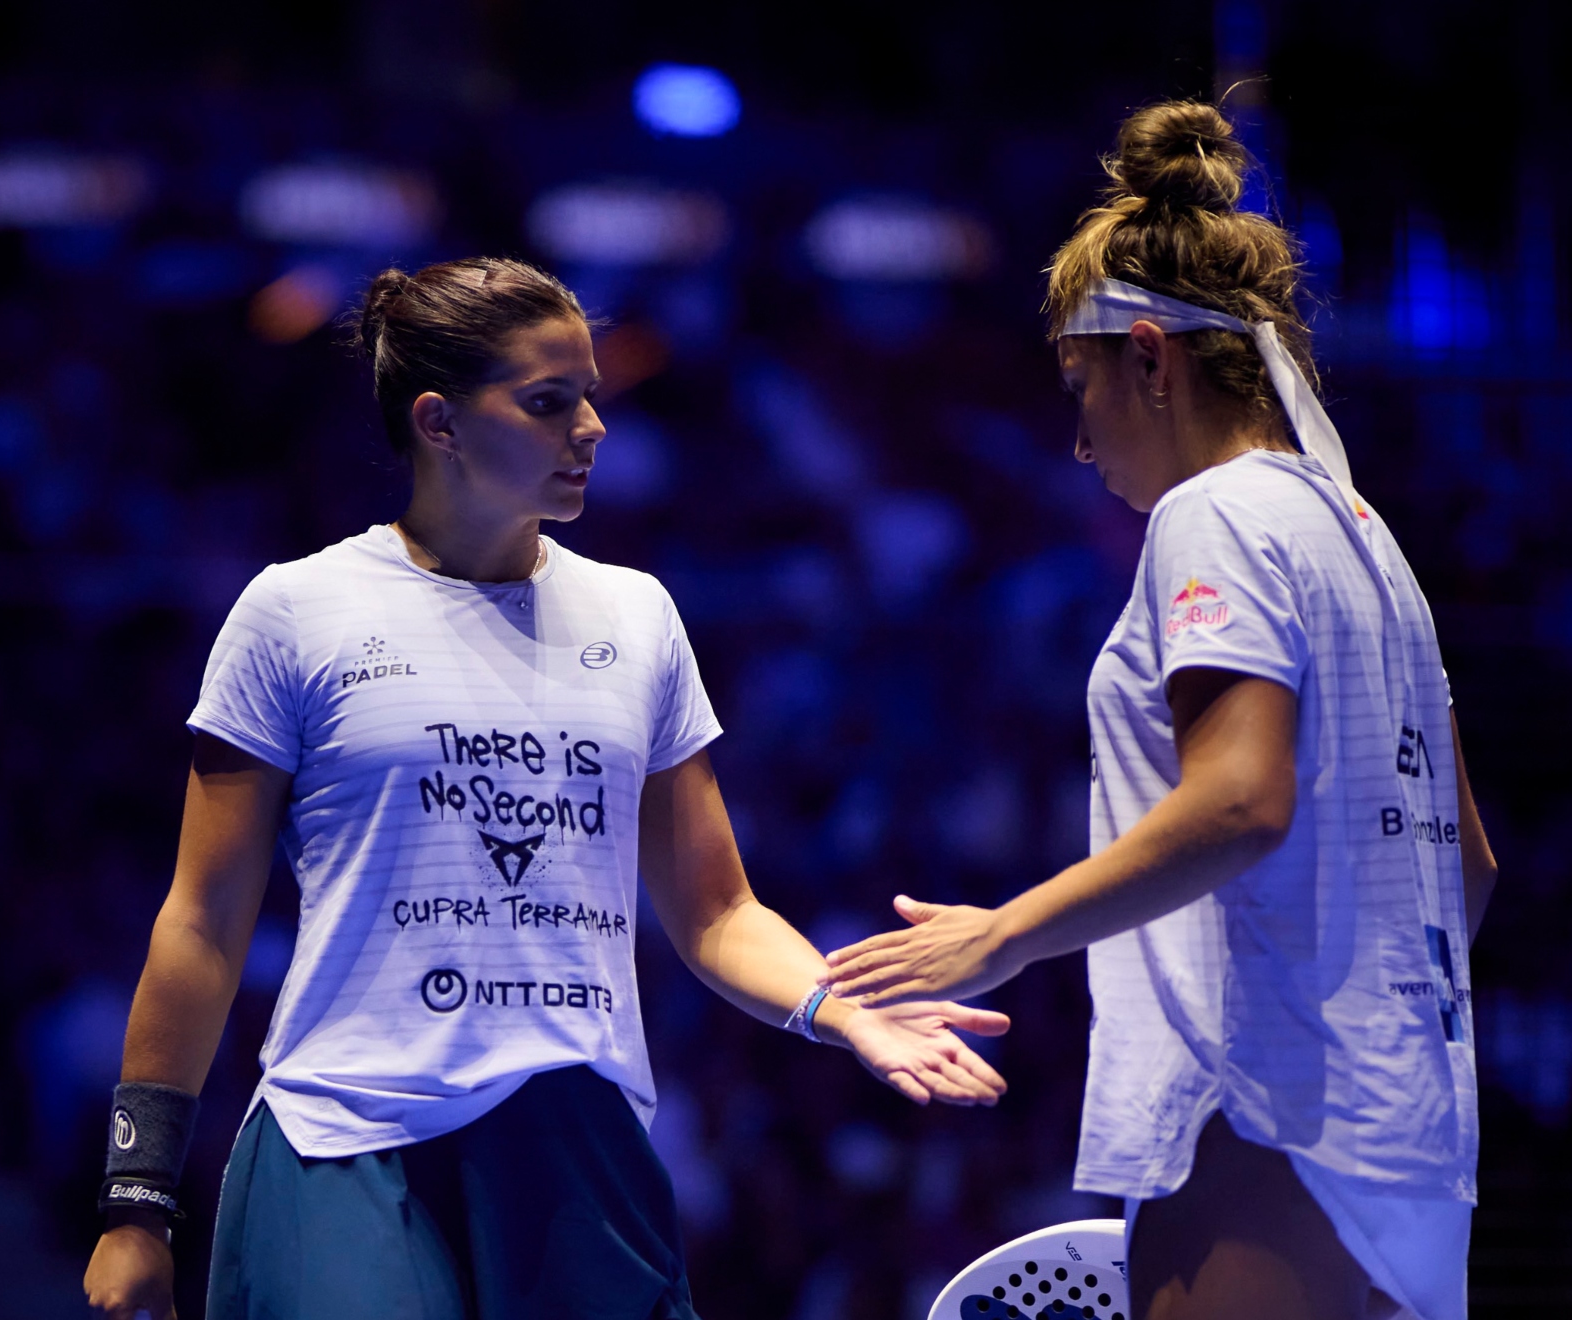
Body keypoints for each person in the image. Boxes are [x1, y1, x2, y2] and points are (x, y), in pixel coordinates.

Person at [82, 257, 1011, 1320]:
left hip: (575, 1134)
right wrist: (135, 1200)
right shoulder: (295, 613)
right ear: (438, 423)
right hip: (344, 1133)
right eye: (547, 402)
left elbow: (717, 911)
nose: (592, 429)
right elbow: (201, 923)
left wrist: (837, 1010)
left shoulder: (638, 617)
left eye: (592, 398)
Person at [823, 103, 1497, 1320]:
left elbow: (1240, 800)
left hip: (1263, 1121)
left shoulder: (1218, 516)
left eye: (1080, 386)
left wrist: (998, 935)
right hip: (1408, 1139)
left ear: (1150, 357)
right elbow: (1472, 869)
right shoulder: (1364, 537)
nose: (1080, 442)